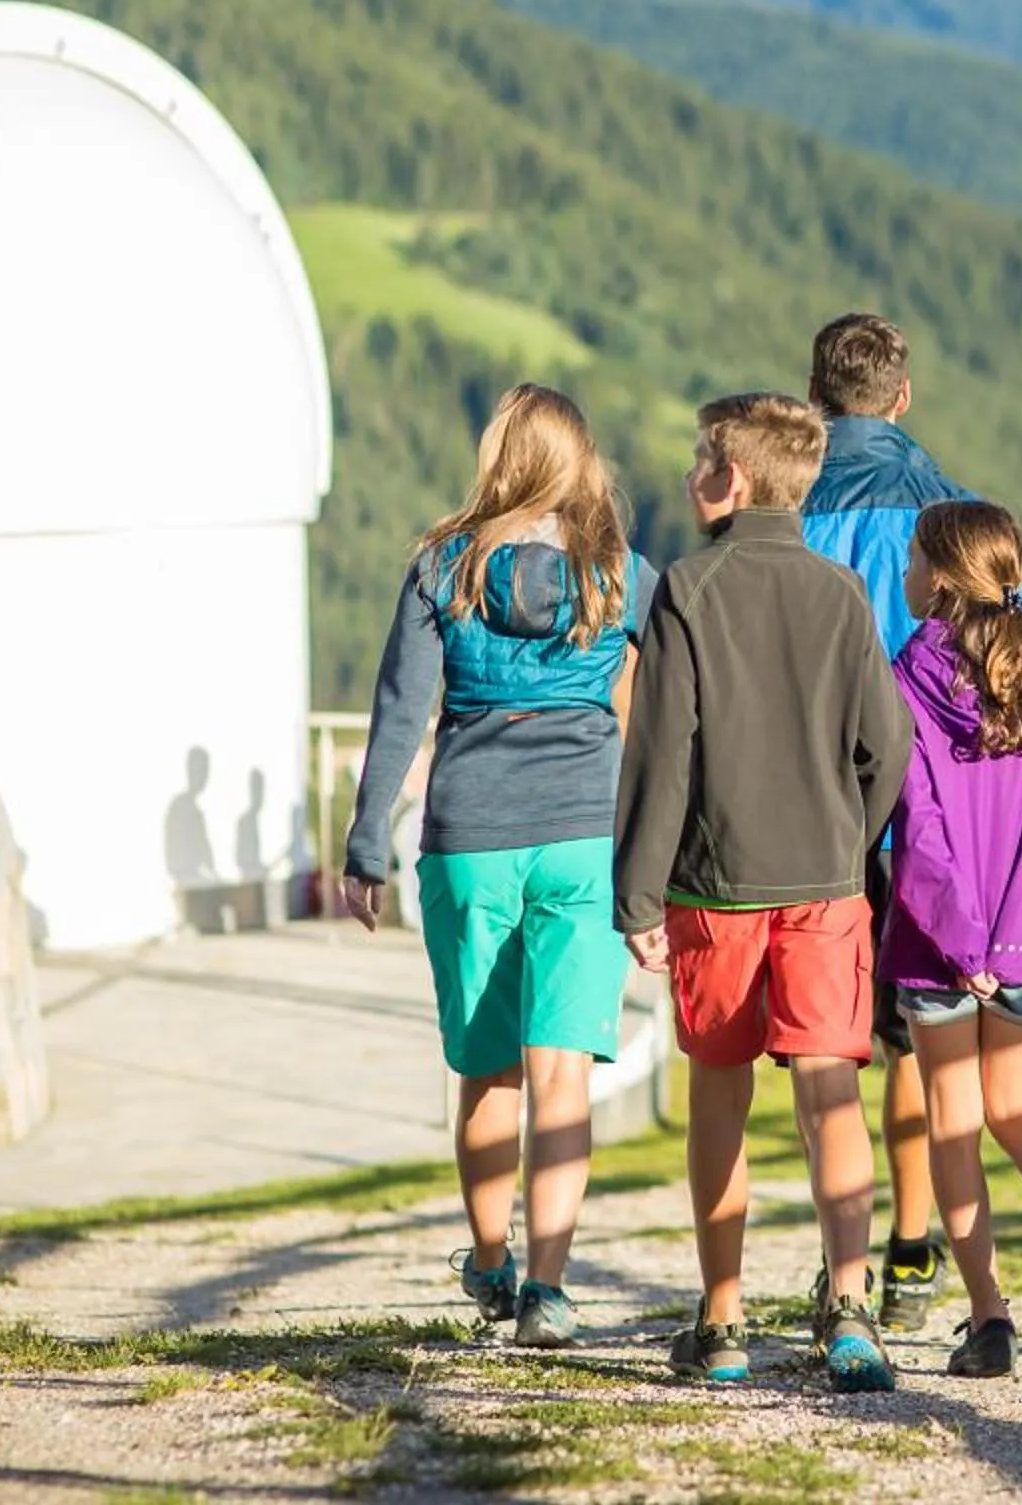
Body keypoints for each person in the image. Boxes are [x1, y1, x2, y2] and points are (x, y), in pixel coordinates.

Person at [337, 385, 654, 1350]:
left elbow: (401, 711)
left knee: (487, 1074)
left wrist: (363, 843)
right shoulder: (620, 575)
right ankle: (548, 1292)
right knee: (563, 1076)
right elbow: (678, 709)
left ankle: (488, 1262)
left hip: (470, 837)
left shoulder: (444, 569)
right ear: (579, 464)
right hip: (586, 838)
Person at [615, 391, 915, 1393]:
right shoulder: (840, 593)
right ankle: (851, 1304)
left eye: (703, 455)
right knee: (832, 1092)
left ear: (732, 479)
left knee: (721, 1095)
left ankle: (724, 1314)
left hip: (716, 882)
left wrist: (639, 897)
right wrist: (849, 833)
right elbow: (890, 744)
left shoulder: (688, 590)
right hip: (825, 884)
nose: (692, 472)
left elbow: (662, 758)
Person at [882, 500, 1022, 1379]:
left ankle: (988, 1320)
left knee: (954, 1125)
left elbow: (923, 825)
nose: (903, 575)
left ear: (941, 577)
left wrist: (960, 942)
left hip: (944, 950)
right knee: (1019, 1108)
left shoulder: (912, 675)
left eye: (911, 560)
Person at [798, 311, 978, 1330]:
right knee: (918, 1031)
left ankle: (845, 1263)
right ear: (902, 397)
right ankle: (916, 1245)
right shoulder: (952, 511)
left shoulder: (785, 505)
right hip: (926, 806)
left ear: (816, 397)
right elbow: (999, 661)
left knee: (825, 1032)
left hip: (817, 801)